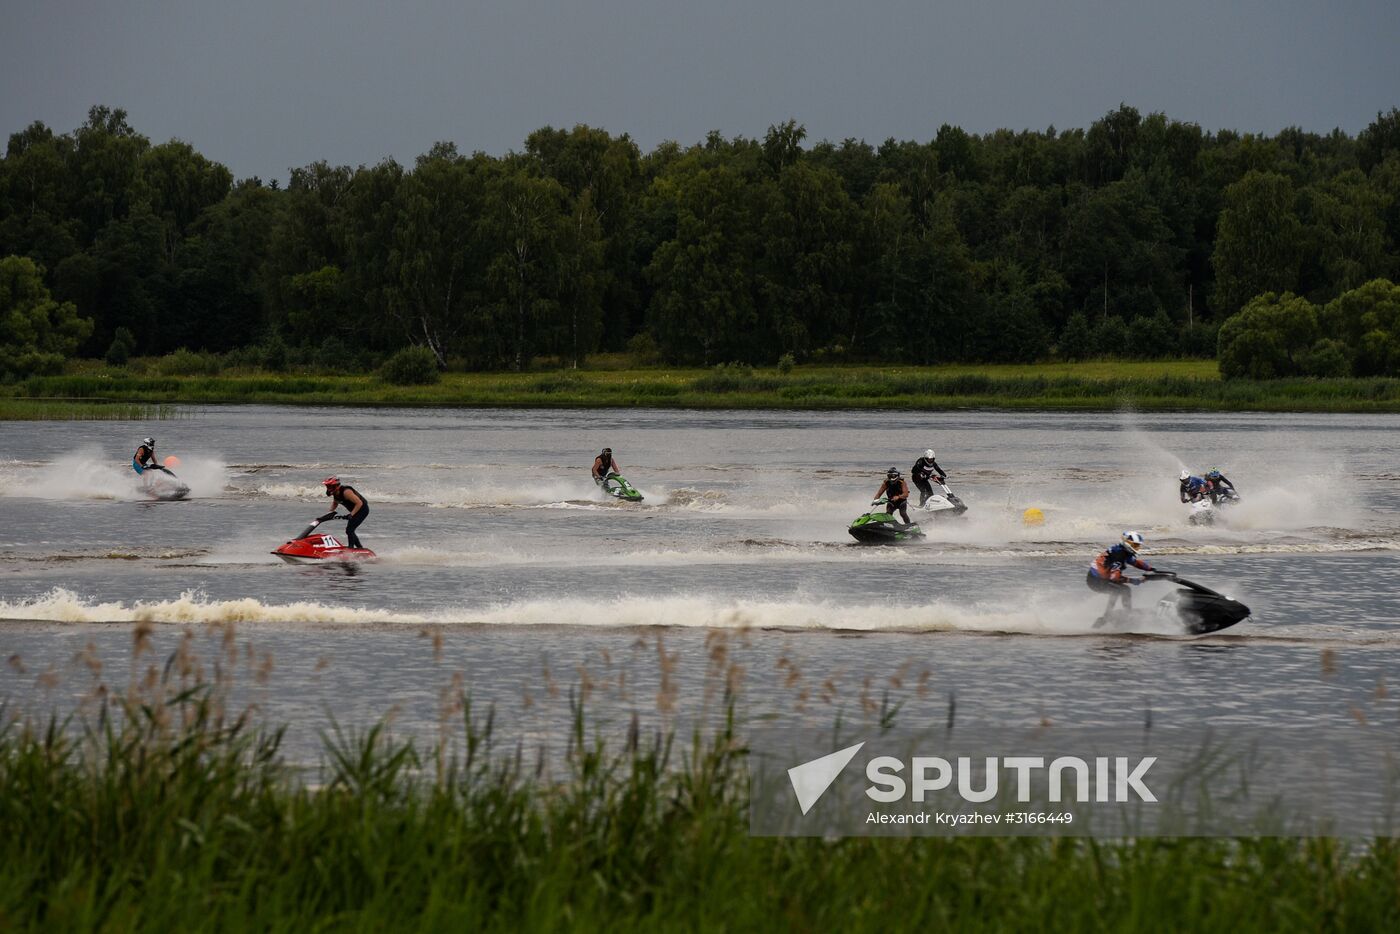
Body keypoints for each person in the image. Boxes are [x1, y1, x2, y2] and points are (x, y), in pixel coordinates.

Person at [1087, 531, 1153, 615]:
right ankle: (1112, 615)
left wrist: (1150, 568)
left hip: (1099, 578)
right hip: (1095, 581)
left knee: (1120, 590)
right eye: (1135, 545)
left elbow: (1135, 562)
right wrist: (1134, 581)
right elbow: (1115, 578)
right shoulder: (1119, 555)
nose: (1137, 548)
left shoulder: (1123, 550)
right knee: (1123, 590)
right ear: (1127, 543)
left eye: (1138, 545)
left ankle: (1113, 614)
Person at [319, 476, 368, 549]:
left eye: (329, 486)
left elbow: (359, 503)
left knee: (349, 530)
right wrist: (329, 513)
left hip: (362, 510)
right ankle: (359, 548)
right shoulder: (335, 493)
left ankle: (351, 548)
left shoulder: (346, 492)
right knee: (349, 530)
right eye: (327, 486)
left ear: (336, 486)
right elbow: (335, 503)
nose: (328, 488)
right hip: (354, 511)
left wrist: (351, 515)